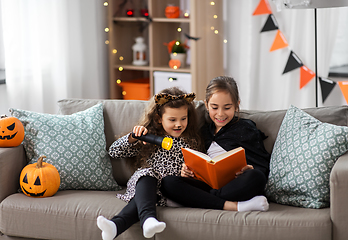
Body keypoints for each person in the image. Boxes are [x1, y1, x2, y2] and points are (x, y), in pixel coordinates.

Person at [96, 87, 201, 240]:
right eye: (172, 120)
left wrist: (188, 172)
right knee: (147, 175)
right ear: (159, 118)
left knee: (145, 198)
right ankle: (146, 220)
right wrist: (133, 138)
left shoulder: (191, 141)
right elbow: (114, 152)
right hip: (145, 185)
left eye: (183, 119)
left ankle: (116, 226)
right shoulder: (149, 137)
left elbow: (198, 167)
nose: (179, 124)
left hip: (168, 191)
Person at [161, 76, 271, 212]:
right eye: (214, 107)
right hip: (207, 185)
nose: (220, 114)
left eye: (227, 108)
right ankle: (232, 206)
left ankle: (202, 199)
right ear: (206, 105)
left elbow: (262, 166)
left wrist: (250, 169)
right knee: (168, 183)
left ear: (237, 105)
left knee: (256, 177)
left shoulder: (245, 128)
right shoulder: (202, 132)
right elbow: (197, 163)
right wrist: (187, 171)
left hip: (235, 185)